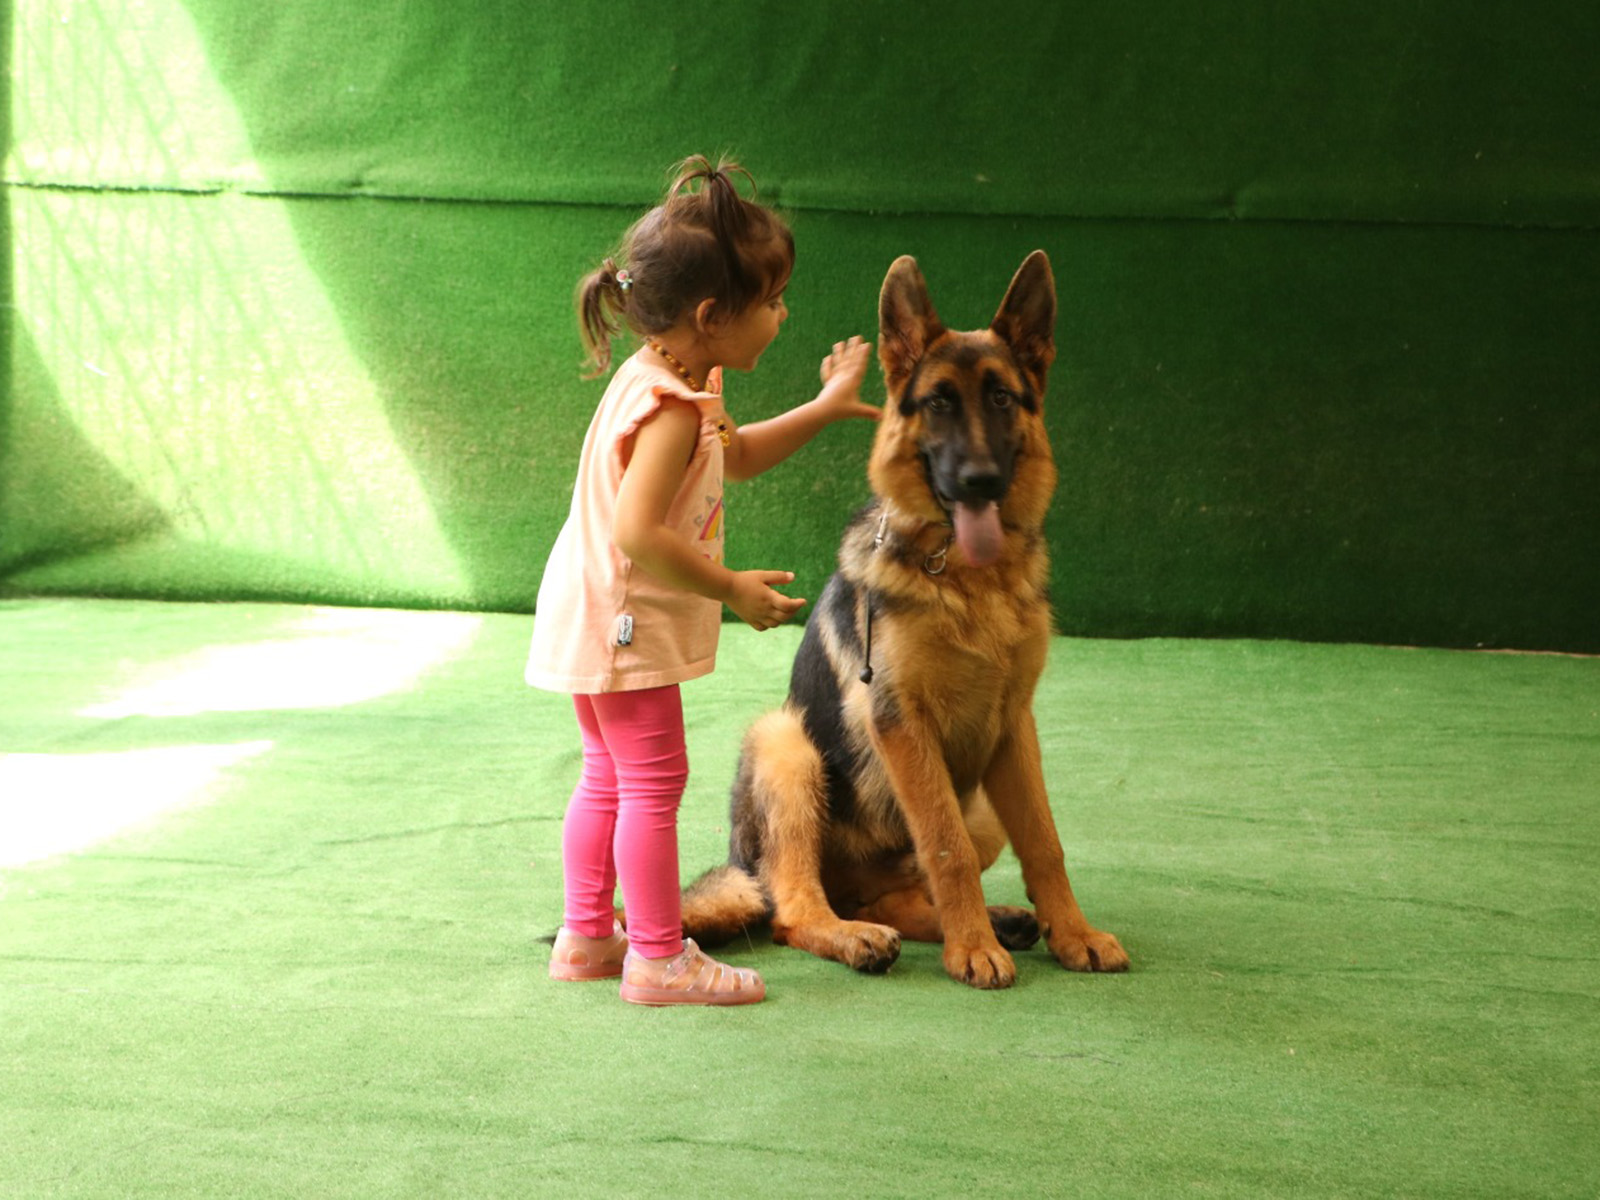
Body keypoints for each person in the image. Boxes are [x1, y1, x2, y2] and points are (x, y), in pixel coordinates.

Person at [528, 155, 878, 1006]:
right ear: (714, 315)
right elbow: (638, 530)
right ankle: (656, 958)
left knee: (607, 776)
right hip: (623, 620)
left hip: (586, 609)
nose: (783, 314)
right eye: (773, 301)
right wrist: (729, 588)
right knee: (652, 781)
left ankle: (587, 938)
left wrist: (823, 406)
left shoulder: (673, 375)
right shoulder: (669, 410)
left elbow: (739, 454)